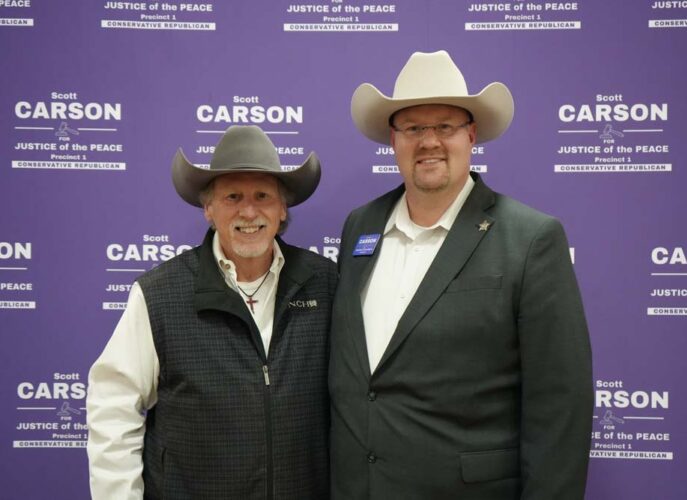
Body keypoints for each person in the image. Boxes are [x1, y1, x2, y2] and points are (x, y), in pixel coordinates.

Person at [329, 50, 593, 499]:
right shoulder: (360, 225)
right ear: (393, 140)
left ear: (471, 135)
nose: (429, 141)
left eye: (445, 126)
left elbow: (561, 404)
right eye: (413, 128)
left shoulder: (531, 238)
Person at [87, 125, 337, 499]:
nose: (249, 211)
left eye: (263, 195)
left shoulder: (326, 284)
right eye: (233, 196)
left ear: (282, 208)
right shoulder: (159, 294)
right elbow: (113, 407)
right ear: (208, 208)